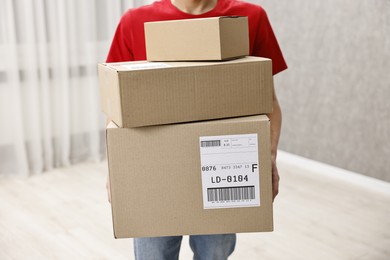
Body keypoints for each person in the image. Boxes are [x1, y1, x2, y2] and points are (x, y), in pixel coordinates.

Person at [105, 0, 287, 259]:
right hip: (155, 173)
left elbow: (269, 103)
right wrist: (118, 171)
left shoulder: (248, 18)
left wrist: (267, 157)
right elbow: (117, 110)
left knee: (214, 254)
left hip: (222, 173)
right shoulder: (135, 22)